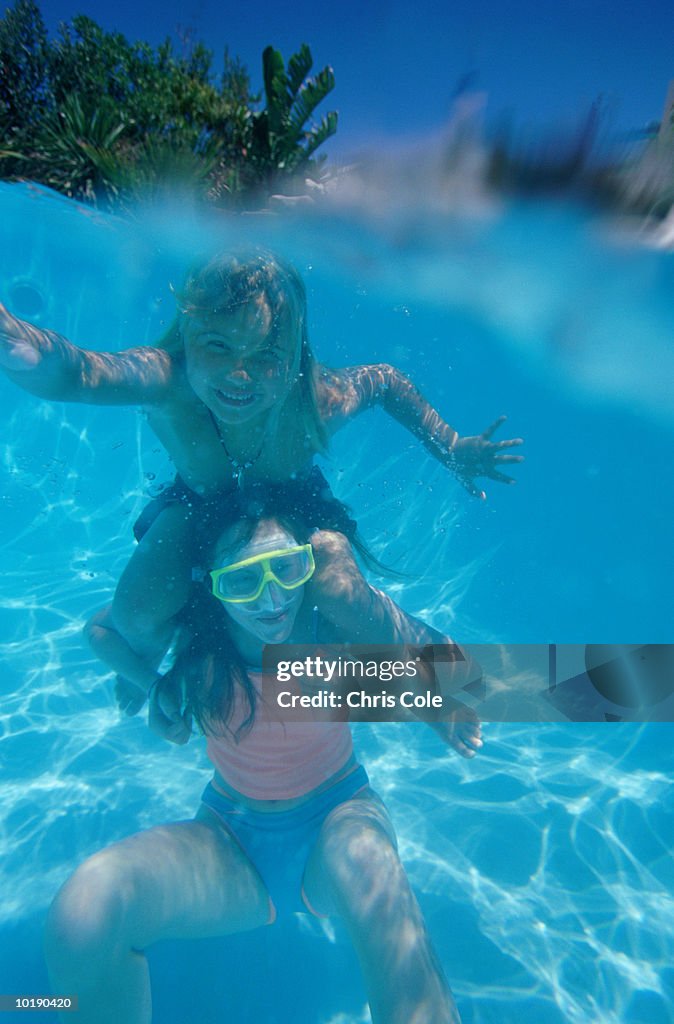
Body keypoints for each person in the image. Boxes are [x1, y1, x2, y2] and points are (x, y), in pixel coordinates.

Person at [0, 249, 521, 709]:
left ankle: (436, 674)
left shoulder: (316, 399)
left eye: (266, 356)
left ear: (295, 354)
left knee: (339, 589)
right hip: (196, 506)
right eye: (218, 347)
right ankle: (154, 661)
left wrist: (450, 446)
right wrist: (18, 342)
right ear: (186, 333)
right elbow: (83, 372)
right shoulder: (166, 377)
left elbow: (384, 379)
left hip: (296, 503)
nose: (238, 376)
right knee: (137, 612)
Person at [45, 491, 481, 1024]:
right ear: (212, 586)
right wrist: (156, 686)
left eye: (287, 569)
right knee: (85, 913)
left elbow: (448, 663)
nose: (272, 599)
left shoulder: (328, 627)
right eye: (243, 580)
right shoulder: (197, 639)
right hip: (229, 841)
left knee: (373, 868)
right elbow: (101, 630)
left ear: (308, 565)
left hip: (339, 820)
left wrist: (435, 697)